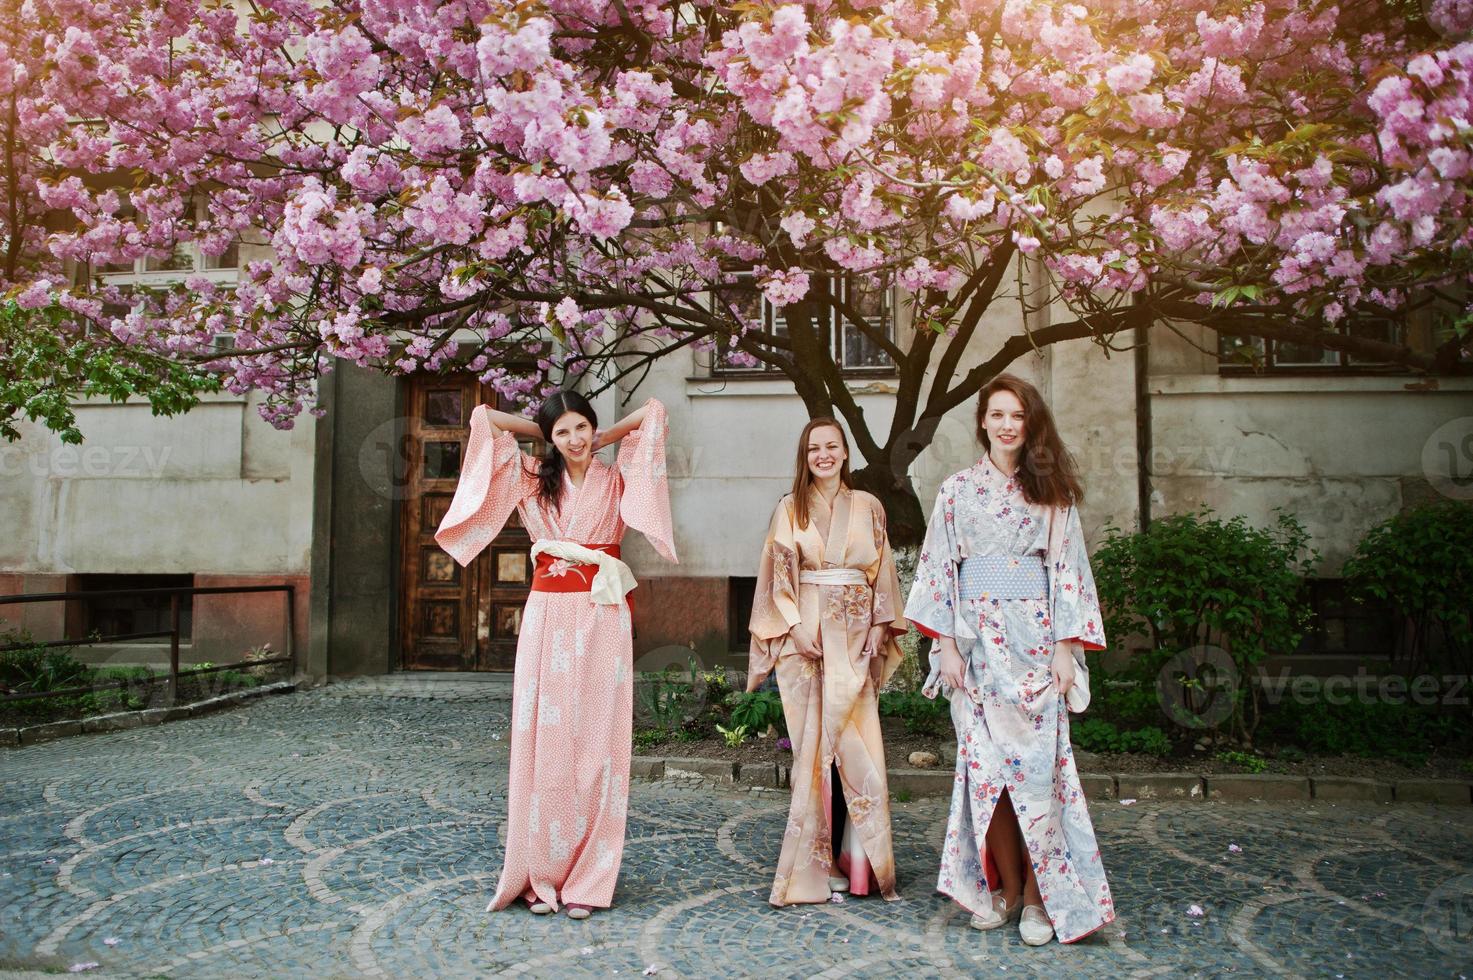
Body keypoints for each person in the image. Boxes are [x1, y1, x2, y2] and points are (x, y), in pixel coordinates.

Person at [435, 389, 676, 920]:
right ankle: (540, 873)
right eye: (563, 432)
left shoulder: (617, 480)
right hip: (548, 615)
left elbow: (653, 414)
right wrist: (545, 433)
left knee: (598, 741)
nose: (575, 439)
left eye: (582, 428)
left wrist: (603, 438)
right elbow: (484, 418)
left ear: (595, 428)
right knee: (545, 741)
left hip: (602, 614)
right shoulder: (530, 479)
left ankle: (590, 878)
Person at [903, 373, 1114, 946]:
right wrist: (943, 646)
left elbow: (1068, 572)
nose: (1005, 425)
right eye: (996, 414)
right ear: (983, 422)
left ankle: (1045, 901)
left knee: (1040, 777)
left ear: (1030, 424)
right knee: (985, 777)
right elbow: (939, 570)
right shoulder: (955, 491)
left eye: (1016, 415)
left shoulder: (1051, 492)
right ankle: (1008, 891)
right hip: (973, 653)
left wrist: (1067, 651)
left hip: (1036, 646)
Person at [747, 416, 907, 906]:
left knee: (858, 748)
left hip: (857, 640)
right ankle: (815, 866)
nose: (823, 455)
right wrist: (793, 626)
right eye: (814, 448)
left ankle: (859, 863)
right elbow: (776, 575)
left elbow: (883, 573)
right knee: (813, 752)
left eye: (831, 446)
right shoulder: (789, 509)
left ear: (844, 453)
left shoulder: (869, 506)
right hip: (803, 642)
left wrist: (881, 629)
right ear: (805, 456)